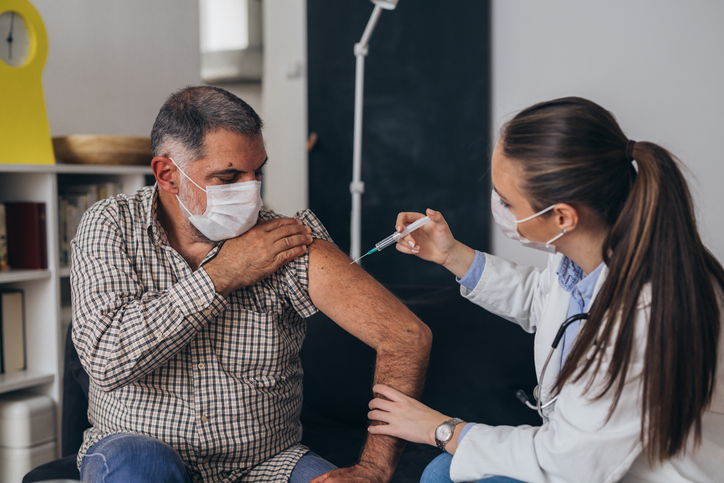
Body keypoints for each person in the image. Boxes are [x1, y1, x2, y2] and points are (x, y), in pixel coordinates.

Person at [70, 86, 432, 483]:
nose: (251, 193)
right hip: (141, 451)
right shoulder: (110, 226)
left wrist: (375, 467)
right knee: (134, 463)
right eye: (228, 177)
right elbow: (106, 358)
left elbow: (405, 336)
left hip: (267, 464)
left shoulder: (285, 240)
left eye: (256, 172)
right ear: (167, 175)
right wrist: (224, 273)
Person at [367, 97, 724, 482]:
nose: (499, 208)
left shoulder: (645, 319)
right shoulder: (594, 250)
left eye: (507, 201)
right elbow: (544, 300)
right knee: (445, 470)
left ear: (562, 216)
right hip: (582, 450)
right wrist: (452, 255)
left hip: (631, 471)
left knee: (442, 472)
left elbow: (567, 464)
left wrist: (441, 429)